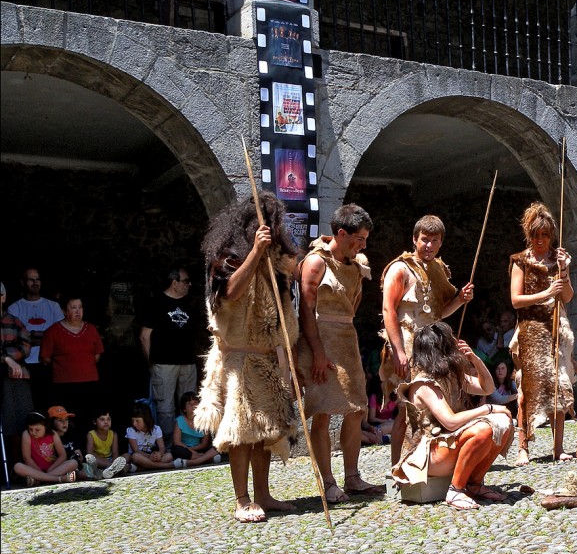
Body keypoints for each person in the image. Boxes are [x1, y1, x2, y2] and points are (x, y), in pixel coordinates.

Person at [194, 192, 301, 523]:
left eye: (271, 224)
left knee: (264, 433)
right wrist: (254, 252)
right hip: (238, 358)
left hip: (266, 356)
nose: (267, 230)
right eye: (261, 224)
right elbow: (229, 294)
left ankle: (263, 495)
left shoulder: (274, 264)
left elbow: (291, 290)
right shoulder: (226, 260)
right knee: (241, 433)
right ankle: (242, 500)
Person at [296, 204, 385, 502]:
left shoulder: (356, 265)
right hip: (320, 341)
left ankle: (352, 476)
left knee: (356, 409)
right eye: (359, 238)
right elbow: (305, 312)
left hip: (346, 340)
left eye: (365, 239)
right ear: (342, 233)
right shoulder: (315, 263)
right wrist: (318, 353)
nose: (363, 244)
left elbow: (352, 307)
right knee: (322, 413)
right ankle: (329, 481)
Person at [380, 215, 473, 464]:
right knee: (405, 410)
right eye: (424, 240)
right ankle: (396, 466)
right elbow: (389, 310)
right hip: (408, 346)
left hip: (432, 348)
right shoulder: (400, 268)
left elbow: (437, 313)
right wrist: (398, 351)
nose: (428, 246)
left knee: (430, 410)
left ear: (441, 243)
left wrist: (459, 300)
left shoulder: (438, 270)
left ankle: (423, 462)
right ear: (414, 239)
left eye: (434, 241)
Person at [392, 322, 513, 510]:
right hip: (425, 456)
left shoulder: (451, 376)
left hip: (444, 447)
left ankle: (474, 484)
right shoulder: (423, 384)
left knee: (504, 423)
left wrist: (475, 360)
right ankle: (456, 489)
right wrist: (488, 409)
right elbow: (450, 422)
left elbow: (487, 388)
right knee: (485, 428)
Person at [509, 202, 575, 465]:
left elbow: (567, 297)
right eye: (535, 235)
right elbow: (515, 300)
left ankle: (557, 448)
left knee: (559, 386)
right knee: (528, 388)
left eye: (544, 235)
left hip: (555, 328)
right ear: (529, 234)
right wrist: (546, 294)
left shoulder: (557, 262)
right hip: (531, 330)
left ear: (551, 236)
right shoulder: (520, 261)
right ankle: (523, 446)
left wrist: (565, 271)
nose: (540, 240)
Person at [140, 266, 200, 440]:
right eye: (185, 281)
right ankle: (167, 445)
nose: (189, 284)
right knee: (165, 407)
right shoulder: (156, 303)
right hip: (163, 363)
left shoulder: (190, 304)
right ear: (174, 283)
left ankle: (190, 441)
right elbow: (145, 336)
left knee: (190, 404)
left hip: (188, 363)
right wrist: (151, 362)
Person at [39, 294, 103, 426]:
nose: (78, 311)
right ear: (64, 311)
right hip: (63, 385)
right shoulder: (53, 331)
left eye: (80, 307)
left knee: (89, 419)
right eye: (74, 307)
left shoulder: (91, 329)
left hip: (89, 383)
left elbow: (97, 355)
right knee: (65, 421)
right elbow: (45, 359)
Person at [7, 268, 64, 410]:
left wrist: (31, 336)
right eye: (31, 279)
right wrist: (45, 336)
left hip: (50, 363)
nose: (35, 282)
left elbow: (61, 336)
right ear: (23, 282)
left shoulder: (53, 306)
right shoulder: (14, 308)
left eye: (37, 279)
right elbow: (15, 339)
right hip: (25, 365)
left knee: (52, 405)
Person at [2, 281, 33, 477]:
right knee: (5, 423)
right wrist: (6, 359)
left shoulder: (13, 321)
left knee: (22, 418)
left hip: (17, 376)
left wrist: (11, 360)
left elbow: (26, 344)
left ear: (3, 297)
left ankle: (22, 468)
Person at [13, 411, 77, 486]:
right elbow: (26, 458)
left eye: (37, 430)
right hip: (34, 469)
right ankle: (59, 479)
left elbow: (62, 455)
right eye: (31, 429)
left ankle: (40, 480)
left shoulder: (53, 434)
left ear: (45, 427)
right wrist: (39, 472)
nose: (33, 432)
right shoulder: (26, 434)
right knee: (17, 467)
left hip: (53, 469)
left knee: (73, 462)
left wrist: (49, 470)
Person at [171, 392, 220, 469]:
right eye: (189, 404)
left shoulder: (204, 420)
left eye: (196, 403)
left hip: (199, 449)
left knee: (217, 447)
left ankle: (194, 461)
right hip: (184, 449)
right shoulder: (180, 420)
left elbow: (204, 444)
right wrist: (189, 450)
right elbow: (177, 442)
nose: (194, 406)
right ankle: (206, 458)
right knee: (177, 450)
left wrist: (192, 450)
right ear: (184, 409)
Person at [126, 403, 175, 471]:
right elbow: (136, 450)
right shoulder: (131, 430)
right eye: (133, 420)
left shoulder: (156, 429)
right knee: (135, 457)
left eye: (137, 421)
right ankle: (166, 466)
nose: (134, 423)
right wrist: (149, 456)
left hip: (152, 456)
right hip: (141, 456)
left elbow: (162, 447)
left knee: (169, 456)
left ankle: (140, 468)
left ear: (146, 419)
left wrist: (159, 454)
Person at [84, 409, 129, 479]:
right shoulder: (91, 434)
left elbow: (115, 452)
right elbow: (89, 453)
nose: (106, 422)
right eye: (102, 419)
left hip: (110, 459)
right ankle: (113, 469)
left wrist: (115, 462)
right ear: (94, 422)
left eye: (108, 419)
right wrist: (110, 464)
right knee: (90, 457)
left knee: (127, 455)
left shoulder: (113, 434)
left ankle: (110, 470)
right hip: (98, 461)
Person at [49, 405, 87, 480]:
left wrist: (77, 457)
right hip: (55, 467)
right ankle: (44, 477)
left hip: (71, 466)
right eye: (60, 420)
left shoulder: (71, 435)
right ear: (52, 422)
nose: (64, 423)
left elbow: (79, 455)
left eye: (66, 419)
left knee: (83, 473)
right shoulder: (49, 437)